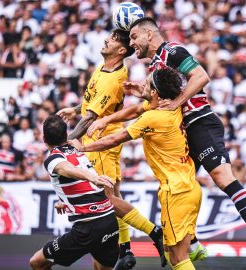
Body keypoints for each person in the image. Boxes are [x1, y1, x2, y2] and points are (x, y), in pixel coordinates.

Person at [88, 17, 246, 259]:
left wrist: (177, 101)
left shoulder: (172, 51)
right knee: (181, 182)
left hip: (200, 121)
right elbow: (150, 105)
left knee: (221, 176)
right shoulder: (154, 66)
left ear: (149, 35)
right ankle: (194, 244)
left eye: (134, 37)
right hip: (183, 129)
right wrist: (140, 95)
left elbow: (201, 76)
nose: (132, 43)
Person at [71, 68, 202, 270]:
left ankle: (140, 241)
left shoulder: (153, 118)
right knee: (175, 255)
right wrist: (142, 93)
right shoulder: (173, 107)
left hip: (175, 191)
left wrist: (83, 147)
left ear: (156, 93)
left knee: (177, 258)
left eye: (147, 84)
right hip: (191, 188)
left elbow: (115, 138)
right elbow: (137, 108)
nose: (143, 86)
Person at [58, 29, 165, 269]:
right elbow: (92, 103)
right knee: (114, 196)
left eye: (114, 39)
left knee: (106, 199)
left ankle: (154, 232)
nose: (107, 39)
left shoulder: (112, 78)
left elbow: (90, 119)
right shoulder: (103, 68)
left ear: (121, 50)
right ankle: (126, 250)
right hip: (101, 137)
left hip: (101, 141)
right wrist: (74, 109)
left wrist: (62, 145)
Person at [29, 115, 119, 270]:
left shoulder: (53, 159)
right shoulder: (75, 147)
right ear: (66, 135)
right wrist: (64, 201)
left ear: (44, 140)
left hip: (88, 228)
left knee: (37, 263)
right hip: (109, 222)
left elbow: (67, 169)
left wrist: (93, 178)